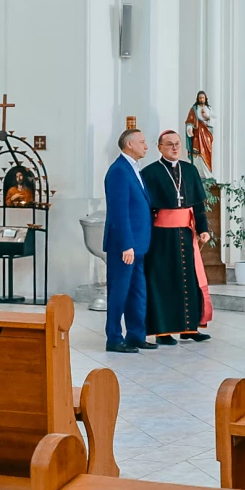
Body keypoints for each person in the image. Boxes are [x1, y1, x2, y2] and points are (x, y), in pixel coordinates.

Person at [142, 130, 213, 345]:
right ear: (160, 147)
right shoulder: (150, 172)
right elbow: (146, 209)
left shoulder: (189, 170)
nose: (174, 148)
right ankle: (163, 332)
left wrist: (203, 228)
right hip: (161, 236)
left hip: (186, 232)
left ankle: (189, 329)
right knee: (164, 281)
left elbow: (198, 205)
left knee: (189, 280)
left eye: (177, 144)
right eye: (169, 144)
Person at [102, 129, 156, 353]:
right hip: (125, 246)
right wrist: (126, 244)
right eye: (142, 142)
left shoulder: (133, 169)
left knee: (138, 292)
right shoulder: (118, 171)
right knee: (120, 291)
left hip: (139, 244)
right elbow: (119, 211)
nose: (146, 146)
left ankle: (136, 335)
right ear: (129, 145)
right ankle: (114, 337)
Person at [184, 90, 215, 176]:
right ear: (197, 99)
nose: (201, 99)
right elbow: (189, 121)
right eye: (200, 98)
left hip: (206, 134)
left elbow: (214, 120)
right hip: (197, 134)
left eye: (203, 98)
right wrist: (189, 129)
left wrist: (207, 117)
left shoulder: (209, 109)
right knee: (197, 153)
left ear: (205, 99)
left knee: (206, 152)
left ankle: (207, 174)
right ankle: (198, 174)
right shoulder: (194, 109)